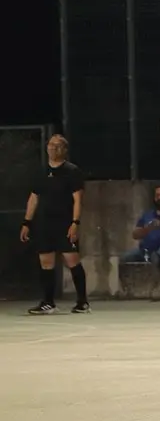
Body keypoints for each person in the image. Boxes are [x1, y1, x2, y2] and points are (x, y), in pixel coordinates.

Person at [21, 134, 89, 315]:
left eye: (57, 145)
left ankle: (82, 302)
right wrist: (27, 222)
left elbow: (77, 199)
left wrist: (75, 223)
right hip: (45, 224)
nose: (52, 148)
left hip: (64, 223)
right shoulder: (42, 171)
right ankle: (48, 302)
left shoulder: (72, 171)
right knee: (46, 262)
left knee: (72, 260)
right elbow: (34, 197)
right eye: (50, 145)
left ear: (64, 150)